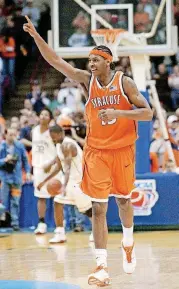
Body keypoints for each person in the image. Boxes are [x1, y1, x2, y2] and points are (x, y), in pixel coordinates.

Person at [24, 16, 153, 287]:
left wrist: (118, 112)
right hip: (96, 152)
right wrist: (37, 38)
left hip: (122, 151)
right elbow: (57, 62)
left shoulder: (124, 83)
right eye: (89, 61)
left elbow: (148, 112)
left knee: (124, 202)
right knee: (98, 208)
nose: (90, 64)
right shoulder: (87, 81)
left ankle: (128, 244)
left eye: (95, 60)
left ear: (108, 61)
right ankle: (102, 266)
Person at [37, 124, 93, 243]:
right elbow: (59, 167)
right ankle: (60, 233)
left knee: (87, 210)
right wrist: (43, 182)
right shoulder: (58, 145)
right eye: (51, 137)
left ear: (60, 133)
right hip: (70, 180)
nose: (52, 139)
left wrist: (63, 185)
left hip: (79, 180)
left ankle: (97, 230)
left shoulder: (68, 145)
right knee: (57, 203)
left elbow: (67, 169)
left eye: (53, 137)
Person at [32, 108, 58, 234]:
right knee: (41, 197)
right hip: (38, 168)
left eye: (46, 114)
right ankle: (41, 223)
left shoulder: (53, 132)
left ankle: (59, 225)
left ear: (50, 118)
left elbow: (59, 151)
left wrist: (51, 163)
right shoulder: (34, 131)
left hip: (52, 168)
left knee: (57, 197)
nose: (43, 116)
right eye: (41, 114)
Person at [0, 128, 31, 230]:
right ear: (6, 135)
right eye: (10, 134)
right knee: (2, 202)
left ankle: (15, 223)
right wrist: (5, 160)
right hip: (4, 179)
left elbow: (25, 160)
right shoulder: (1, 146)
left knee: (15, 202)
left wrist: (27, 172)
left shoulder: (19, 146)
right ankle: (2, 222)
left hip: (16, 179)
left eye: (14, 134)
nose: (12, 136)